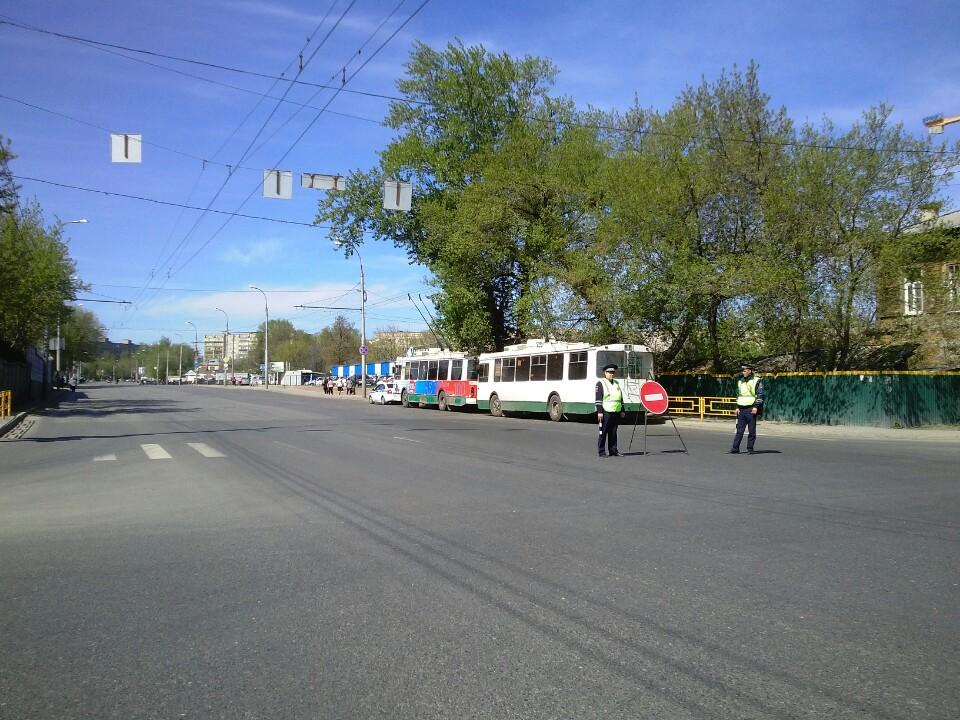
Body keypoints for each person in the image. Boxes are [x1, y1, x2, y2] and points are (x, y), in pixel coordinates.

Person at [729, 363, 764, 454]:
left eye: (744, 371)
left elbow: (760, 395)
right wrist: (737, 407)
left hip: (751, 408)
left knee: (751, 430)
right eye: (743, 371)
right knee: (739, 430)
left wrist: (756, 407)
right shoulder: (740, 381)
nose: (743, 372)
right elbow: (738, 395)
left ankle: (750, 448)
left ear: (750, 371)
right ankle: (735, 448)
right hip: (741, 408)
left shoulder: (757, 380)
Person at [596, 363, 625, 457]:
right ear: (605, 373)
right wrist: (600, 412)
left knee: (613, 432)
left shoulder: (616, 383)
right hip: (606, 412)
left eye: (613, 372)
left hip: (616, 411)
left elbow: (620, 398)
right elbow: (598, 399)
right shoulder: (600, 383)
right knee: (603, 432)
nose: (611, 374)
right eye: (609, 372)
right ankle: (601, 451)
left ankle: (613, 450)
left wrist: (622, 410)